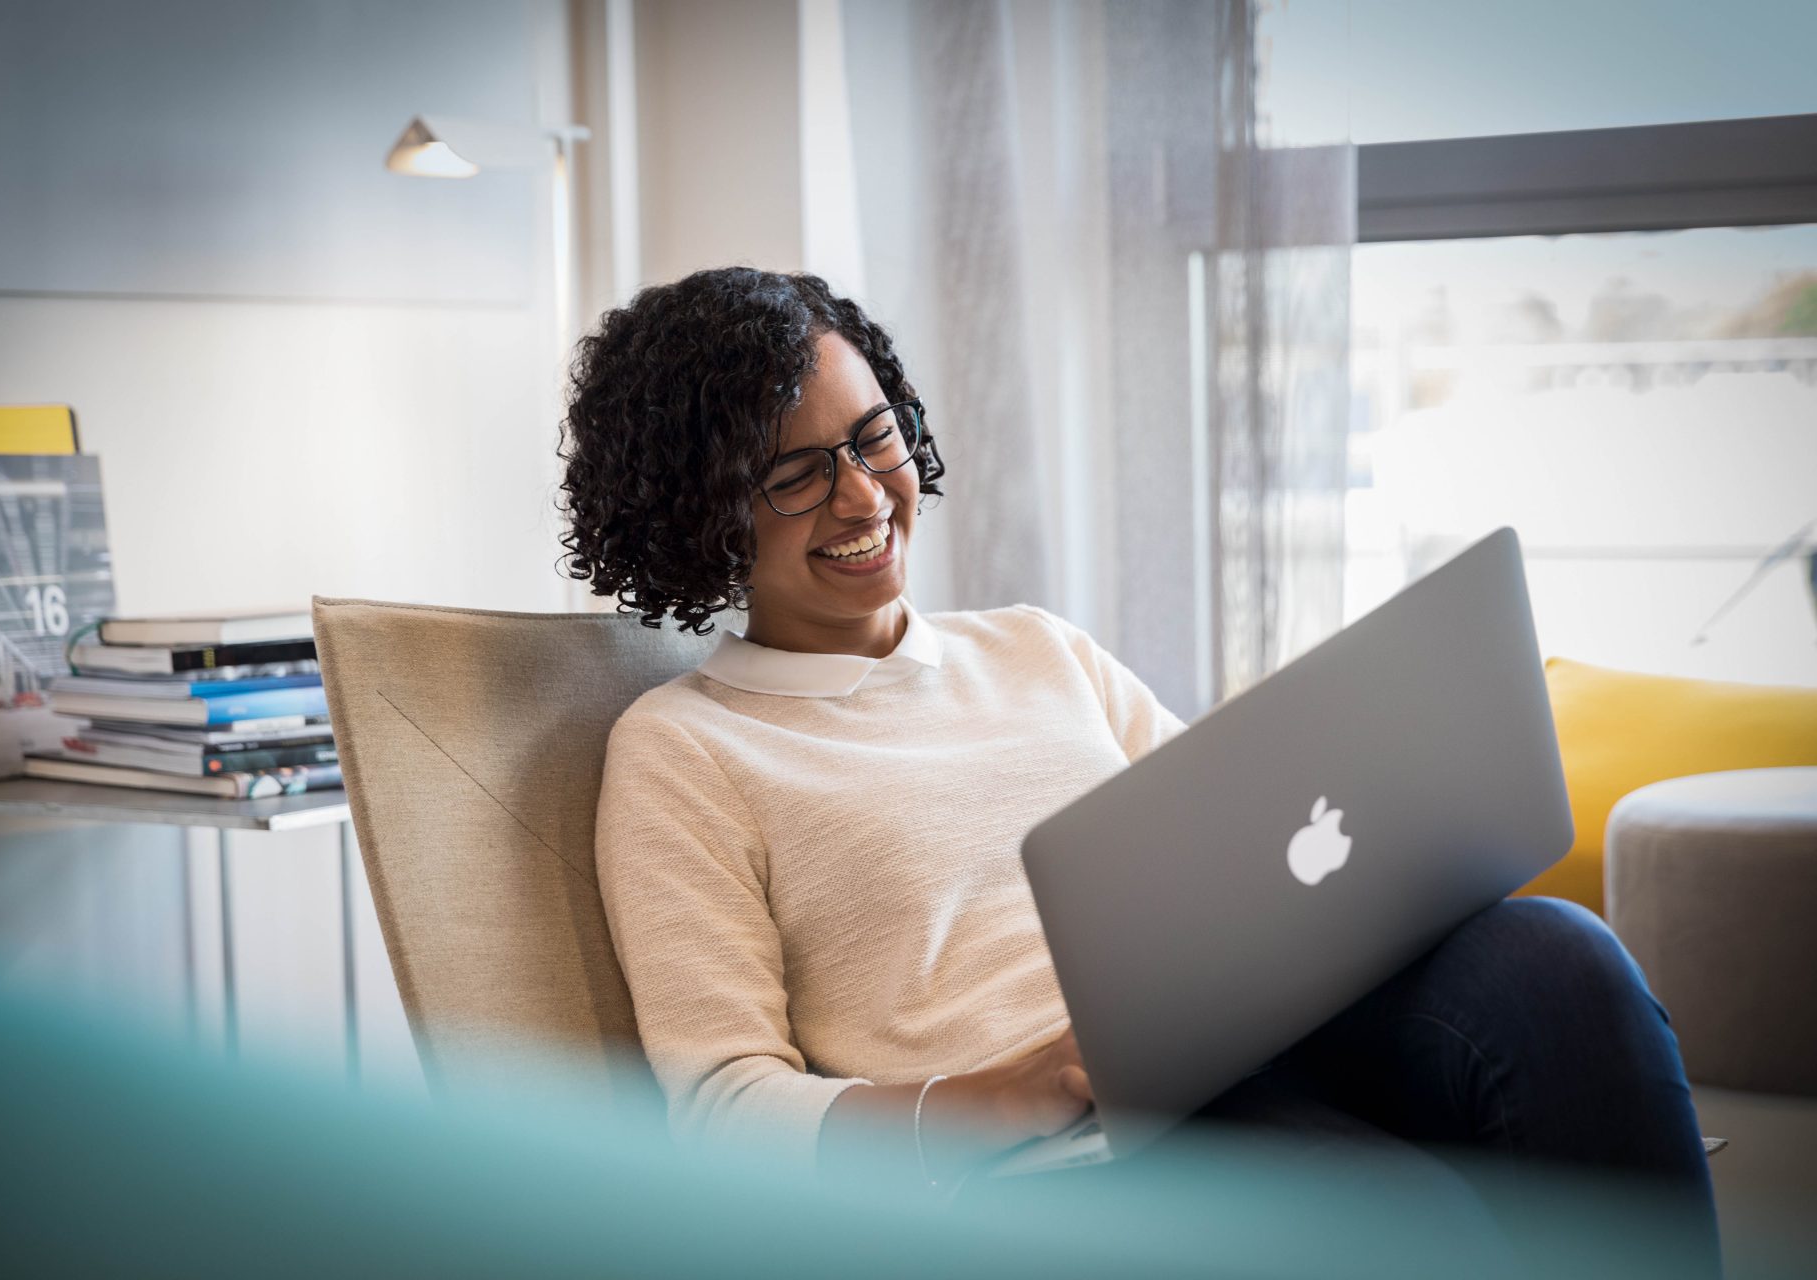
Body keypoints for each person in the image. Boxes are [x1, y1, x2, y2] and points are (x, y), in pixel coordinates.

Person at [559, 267, 1719, 1271]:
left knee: (1559, 959)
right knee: (1414, 1221)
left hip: (1246, 1044)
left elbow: (1243, 839)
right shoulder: (684, 750)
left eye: (872, 438)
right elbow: (722, 1107)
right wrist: (985, 1103)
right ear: (696, 515)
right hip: (1054, 1161)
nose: (864, 496)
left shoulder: (1034, 645)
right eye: (795, 475)